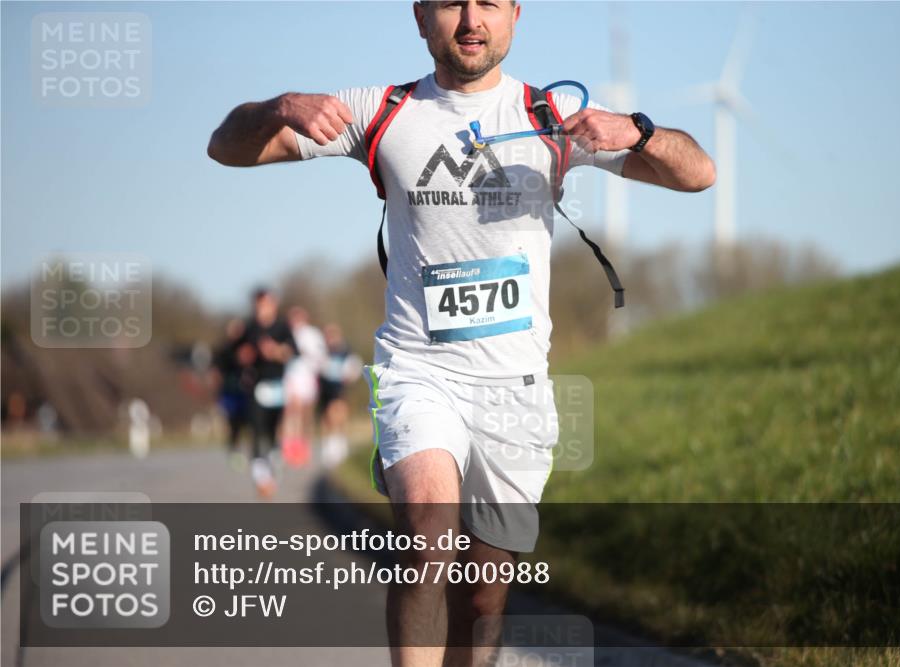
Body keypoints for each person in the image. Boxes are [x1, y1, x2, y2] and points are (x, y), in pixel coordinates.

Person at [208, 1, 715, 663]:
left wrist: (639, 130)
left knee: (484, 595)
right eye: (452, 3)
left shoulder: (551, 119)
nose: (472, 18)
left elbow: (699, 172)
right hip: (419, 371)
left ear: (514, 16)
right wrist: (279, 106)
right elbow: (225, 147)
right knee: (427, 538)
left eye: (490, 3)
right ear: (421, 18)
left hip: (515, 388)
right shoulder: (382, 111)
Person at [238, 288, 297, 497]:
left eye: (266, 304)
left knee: (273, 433)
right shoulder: (249, 328)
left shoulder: (282, 327)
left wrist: (276, 351)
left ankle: (273, 464)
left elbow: (292, 352)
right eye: (259, 305)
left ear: (273, 305)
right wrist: (243, 355)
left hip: (277, 386)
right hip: (256, 386)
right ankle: (260, 477)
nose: (262, 309)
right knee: (256, 430)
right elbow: (236, 353)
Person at [281, 306, 328, 467]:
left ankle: (303, 446)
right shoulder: (285, 333)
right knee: (292, 410)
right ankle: (290, 447)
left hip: (307, 376)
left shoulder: (312, 334)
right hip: (290, 375)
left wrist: (308, 355)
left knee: (305, 413)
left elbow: (321, 356)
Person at [316, 322, 363, 469]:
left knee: (338, 414)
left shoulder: (345, 351)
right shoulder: (322, 351)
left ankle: (340, 445)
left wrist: (349, 376)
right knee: (326, 418)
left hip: (339, 389)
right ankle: (328, 445)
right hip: (325, 388)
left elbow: (354, 367)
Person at [211, 317, 256, 469]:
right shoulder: (224, 350)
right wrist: (218, 393)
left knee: (250, 422)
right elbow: (216, 372)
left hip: (246, 392)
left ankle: (254, 452)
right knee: (233, 423)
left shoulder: (248, 348)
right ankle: (234, 451)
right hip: (229, 392)